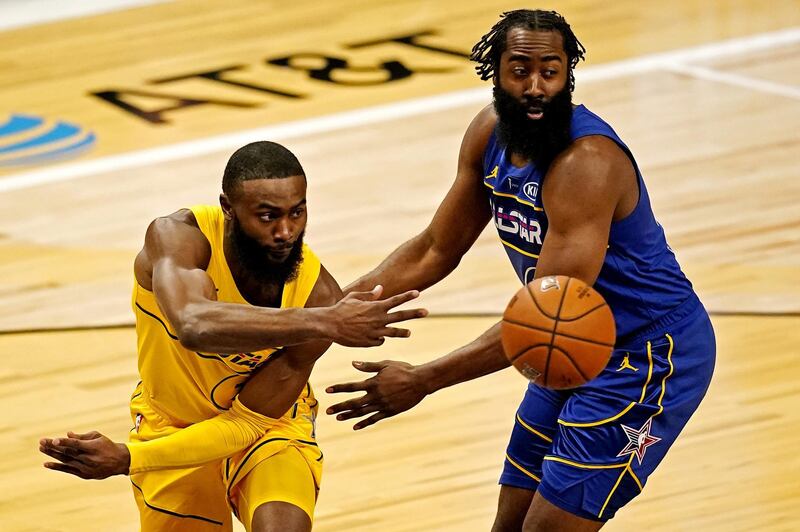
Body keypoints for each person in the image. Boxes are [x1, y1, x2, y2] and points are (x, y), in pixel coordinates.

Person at [325, 9, 715, 531]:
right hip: (572, 345)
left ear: (568, 75)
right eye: (520, 70)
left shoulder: (586, 163)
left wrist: (422, 379)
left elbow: (546, 318)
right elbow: (435, 249)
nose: (534, 86)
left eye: (549, 71)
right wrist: (323, 319)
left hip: (643, 357)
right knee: (508, 525)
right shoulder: (488, 133)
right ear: (496, 72)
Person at [39, 141, 426, 532]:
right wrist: (322, 323)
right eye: (267, 216)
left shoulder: (318, 294)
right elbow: (193, 324)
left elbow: (245, 423)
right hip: (172, 425)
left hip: (267, 428)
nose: (285, 231)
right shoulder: (179, 238)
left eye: (297, 212)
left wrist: (127, 459)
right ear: (228, 208)